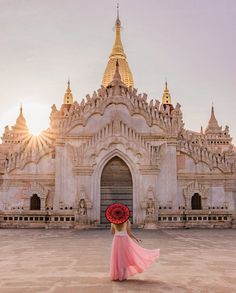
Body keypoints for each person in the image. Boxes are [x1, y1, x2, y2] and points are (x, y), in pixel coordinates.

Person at [105, 203, 160, 281]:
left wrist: (113, 226)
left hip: (116, 240)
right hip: (125, 240)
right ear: (123, 213)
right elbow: (129, 233)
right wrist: (136, 238)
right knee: (124, 258)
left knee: (117, 258)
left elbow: (112, 233)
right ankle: (123, 276)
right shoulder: (127, 221)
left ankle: (117, 275)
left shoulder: (113, 222)